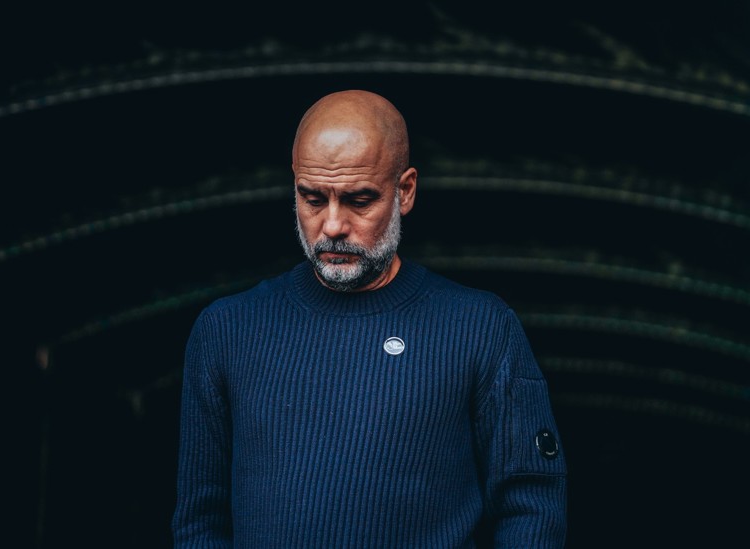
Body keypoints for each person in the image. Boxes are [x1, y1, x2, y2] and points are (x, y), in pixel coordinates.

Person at [172, 90, 567, 547]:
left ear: (405, 191)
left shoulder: (481, 328)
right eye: (312, 198)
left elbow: (531, 508)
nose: (333, 225)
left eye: (359, 200)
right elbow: (200, 522)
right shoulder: (226, 331)